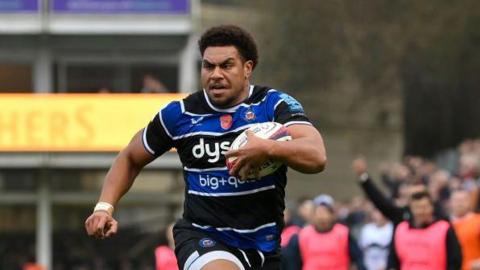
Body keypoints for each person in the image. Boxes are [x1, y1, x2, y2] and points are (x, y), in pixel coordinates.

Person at [84, 24, 327, 270]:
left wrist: (268, 149)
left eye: (226, 65)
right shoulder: (180, 114)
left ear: (247, 68)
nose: (215, 74)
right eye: (208, 66)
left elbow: (316, 156)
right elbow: (130, 157)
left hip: (264, 246)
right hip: (203, 237)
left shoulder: (273, 105)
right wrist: (104, 207)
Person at [352, 157, 446, 225]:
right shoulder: (403, 214)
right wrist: (363, 176)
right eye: (415, 197)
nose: (420, 210)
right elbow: (381, 202)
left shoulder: (439, 219)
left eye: (421, 196)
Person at [285, 194, 366, 270]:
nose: (322, 216)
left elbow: (358, 258)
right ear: (313, 216)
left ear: (333, 216)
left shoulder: (343, 233)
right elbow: (292, 262)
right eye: (318, 212)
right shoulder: (302, 235)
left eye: (325, 212)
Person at [387, 191, 462, 270]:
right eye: (417, 207)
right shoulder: (401, 229)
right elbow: (393, 260)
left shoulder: (444, 228)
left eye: (424, 207)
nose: (421, 211)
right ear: (411, 209)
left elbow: (455, 260)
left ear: (431, 207)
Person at [450, 189, 480, 270]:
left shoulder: (478, 221)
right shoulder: (444, 225)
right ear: (450, 203)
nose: (460, 203)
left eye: (463, 200)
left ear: (470, 202)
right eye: (456, 200)